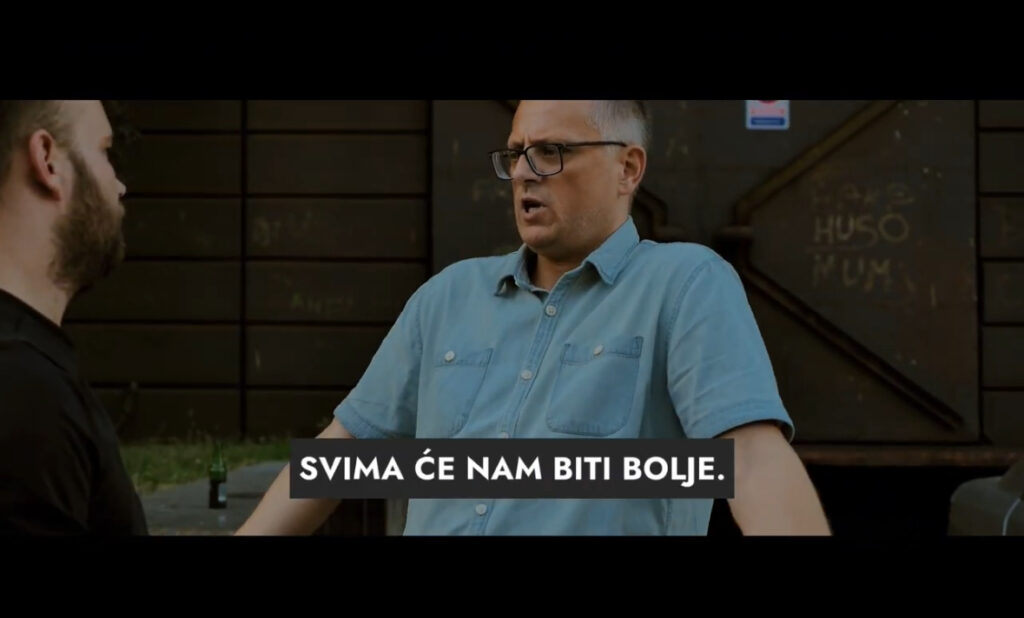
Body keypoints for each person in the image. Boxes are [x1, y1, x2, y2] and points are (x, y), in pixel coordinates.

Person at [238, 100, 830, 536]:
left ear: (628, 169)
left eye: (551, 152)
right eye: (517, 153)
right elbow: (339, 459)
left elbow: (751, 460)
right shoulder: (448, 296)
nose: (523, 171)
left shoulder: (683, 285)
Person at [0, 100, 147, 535]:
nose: (119, 185)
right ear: (47, 160)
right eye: (104, 151)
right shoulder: (23, 389)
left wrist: (321, 462)